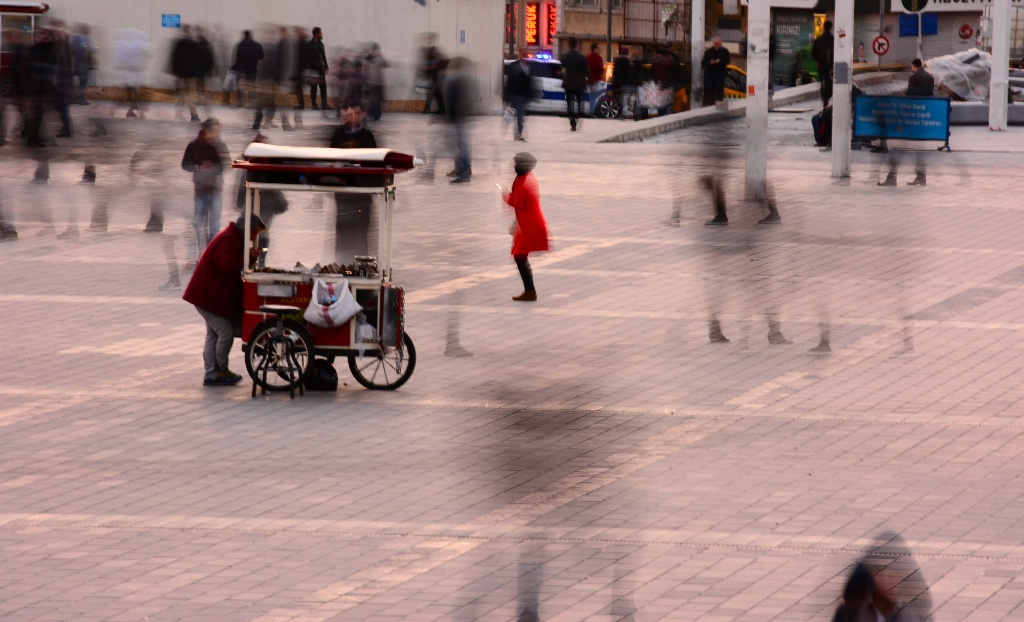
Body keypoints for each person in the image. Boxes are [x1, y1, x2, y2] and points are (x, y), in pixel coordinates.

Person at [183, 212, 267, 386]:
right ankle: (221, 370)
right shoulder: (228, 240)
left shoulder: (233, 238)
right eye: (253, 233)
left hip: (210, 297)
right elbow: (228, 266)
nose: (253, 238)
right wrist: (250, 257)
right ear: (246, 229)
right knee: (225, 333)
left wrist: (249, 256)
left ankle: (211, 373)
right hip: (207, 297)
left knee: (213, 335)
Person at [329, 102, 376, 263]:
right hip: (343, 194)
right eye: (349, 114)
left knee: (361, 234)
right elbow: (331, 158)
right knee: (342, 233)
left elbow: (374, 162)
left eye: (356, 113)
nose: (352, 117)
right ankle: (341, 266)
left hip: (361, 195)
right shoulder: (338, 134)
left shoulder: (367, 135)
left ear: (363, 114)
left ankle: (362, 268)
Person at [503, 152, 550, 302]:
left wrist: (505, 195)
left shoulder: (522, 182)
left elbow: (518, 203)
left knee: (519, 255)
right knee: (520, 256)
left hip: (529, 224)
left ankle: (530, 291)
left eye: (516, 163)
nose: (514, 166)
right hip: (530, 221)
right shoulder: (529, 177)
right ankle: (529, 291)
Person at [879, 59, 934, 187]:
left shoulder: (914, 77)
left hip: (911, 118)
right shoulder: (930, 78)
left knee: (898, 148)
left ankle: (892, 177)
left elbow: (910, 95)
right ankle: (921, 177)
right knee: (919, 149)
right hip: (924, 117)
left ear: (914, 66)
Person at [182, 118, 230, 253]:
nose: (216, 133)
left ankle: (210, 254)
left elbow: (227, 165)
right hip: (200, 190)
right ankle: (198, 254)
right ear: (205, 130)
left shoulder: (220, 146)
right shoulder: (193, 145)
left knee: (214, 227)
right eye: (214, 130)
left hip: (216, 191)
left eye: (218, 130)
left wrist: (213, 168)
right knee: (198, 224)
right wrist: (198, 167)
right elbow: (185, 164)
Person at [445, 56, 475, 183]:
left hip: (458, 116)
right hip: (463, 115)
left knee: (460, 145)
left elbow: (453, 100)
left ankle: (463, 173)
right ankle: (464, 169)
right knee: (462, 144)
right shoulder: (466, 78)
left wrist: (450, 117)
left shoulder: (455, 79)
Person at [559, 37, 590, 132]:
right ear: (577, 44)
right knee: (579, 101)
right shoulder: (582, 56)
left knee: (570, 102)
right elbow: (586, 70)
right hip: (579, 82)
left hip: (569, 82)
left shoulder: (566, 56)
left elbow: (562, 66)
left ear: (569, 44)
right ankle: (578, 115)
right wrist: (588, 77)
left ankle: (572, 121)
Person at [505, 48, 532, 141]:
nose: (525, 55)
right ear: (520, 54)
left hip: (524, 95)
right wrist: (507, 96)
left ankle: (518, 133)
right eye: (523, 53)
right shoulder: (514, 66)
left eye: (526, 53)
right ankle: (518, 134)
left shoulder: (529, 66)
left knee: (520, 115)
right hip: (516, 94)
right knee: (519, 115)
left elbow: (530, 81)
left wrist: (530, 95)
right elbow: (509, 82)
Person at [233, 30, 263, 109]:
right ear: (250, 35)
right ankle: (251, 103)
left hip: (242, 69)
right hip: (252, 68)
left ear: (244, 35)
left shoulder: (240, 44)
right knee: (251, 85)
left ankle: (240, 102)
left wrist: (236, 67)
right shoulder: (257, 44)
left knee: (240, 86)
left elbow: (237, 57)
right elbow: (261, 57)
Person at [419, 33, 447, 114]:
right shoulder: (430, 49)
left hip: (436, 74)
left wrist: (427, 67)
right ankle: (441, 109)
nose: (428, 40)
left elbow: (435, 62)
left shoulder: (435, 49)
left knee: (433, 92)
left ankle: (428, 109)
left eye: (430, 38)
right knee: (435, 93)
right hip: (433, 74)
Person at [304, 27, 330, 112]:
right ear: (316, 34)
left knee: (323, 87)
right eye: (320, 33)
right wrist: (307, 70)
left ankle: (324, 104)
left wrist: (326, 67)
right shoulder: (309, 45)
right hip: (313, 69)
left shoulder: (321, 45)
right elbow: (306, 58)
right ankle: (314, 104)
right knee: (314, 88)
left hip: (320, 69)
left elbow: (323, 56)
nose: (322, 35)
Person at [701, 37, 730, 106]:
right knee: (709, 89)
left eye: (718, 44)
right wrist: (710, 62)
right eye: (715, 44)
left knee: (719, 89)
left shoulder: (725, 51)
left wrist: (720, 61)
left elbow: (728, 61)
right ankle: (710, 104)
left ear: (721, 43)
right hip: (710, 73)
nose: (717, 45)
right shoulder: (708, 52)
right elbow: (704, 62)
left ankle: (719, 104)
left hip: (720, 73)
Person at [811, 20, 834, 107]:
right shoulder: (834, 40)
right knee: (830, 83)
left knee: (823, 82)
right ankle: (828, 100)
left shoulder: (818, 40)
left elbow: (813, 53)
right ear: (831, 28)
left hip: (821, 66)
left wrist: (818, 60)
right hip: (832, 67)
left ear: (823, 28)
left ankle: (824, 101)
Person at [364, 42, 387, 121]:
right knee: (378, 99)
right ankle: (377, 115)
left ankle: (371, 113)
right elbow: (386, 64)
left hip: (371, 81)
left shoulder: (369, 56)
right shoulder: (380, 57)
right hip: (379, 81)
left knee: (372, 98)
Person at [611, 46, 635, 118]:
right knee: (625, 97)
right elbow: (630, 73)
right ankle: (624, 112)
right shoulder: (628, 62)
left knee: (619, 97)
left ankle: (619, 112)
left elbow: (614, 72)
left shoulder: (616, 61)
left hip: (617, 82)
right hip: (625, 82)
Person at [586, 43, 605, 117]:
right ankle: (592, 112)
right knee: (593, 97)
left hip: (587, 80)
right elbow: (601, 69)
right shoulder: (598, 58)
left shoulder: (587, 57)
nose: (601, 50)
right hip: (595, 80)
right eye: (599, 48)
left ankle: (587, 110)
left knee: (588, 96)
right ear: (595, 49)